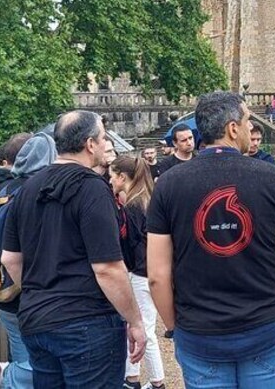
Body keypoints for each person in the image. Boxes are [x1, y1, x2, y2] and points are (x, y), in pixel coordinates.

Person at [147, 91, 275, 389]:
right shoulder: (273, 177)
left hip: (200, 329)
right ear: (233, 128)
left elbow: (157, 276)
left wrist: (174, 326)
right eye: (248, 120)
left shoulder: (169, 184)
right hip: (265, 323)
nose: (251, 128)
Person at [1, 110, 146, 388]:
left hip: (37, 320)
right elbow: (107, 268)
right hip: (86, 323)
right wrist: (135, 321)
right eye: (103, 138)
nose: (106, 143)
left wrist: (40, 292)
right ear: (90, 144)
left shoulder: (27, 189)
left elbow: (10, 259)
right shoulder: (93, 188)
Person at [0, 132, 58, 389]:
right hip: (21, 295)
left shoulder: (3, 190)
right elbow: (13, 257)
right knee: (30, 364)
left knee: (28, 358)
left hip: (3, 293)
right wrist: (34, 290)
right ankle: (4, 380)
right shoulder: (34, 193)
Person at [110, 155, 167, 389]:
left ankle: (157, 382)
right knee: (137, 326)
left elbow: (133, 244)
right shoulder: (145, 200)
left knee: (145, 329)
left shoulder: (133, 206)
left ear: (122, 177)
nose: (110, 181)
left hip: (141, 272)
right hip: (146, 270)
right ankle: (132, 377)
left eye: (112, 176)